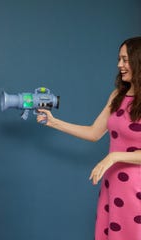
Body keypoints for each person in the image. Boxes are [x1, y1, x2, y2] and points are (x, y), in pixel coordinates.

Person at [37, 36, 141, 240]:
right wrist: (53, 122)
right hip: (113, 186)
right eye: (119, 59)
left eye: (125, 59)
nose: (120, 65)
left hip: (137, 190)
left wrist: (113, 157)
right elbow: (94, 132)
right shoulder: (117, 95)